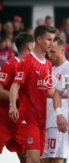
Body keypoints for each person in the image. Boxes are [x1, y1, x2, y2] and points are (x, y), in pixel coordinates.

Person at [9, 25, 56, 163]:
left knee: (37, 159)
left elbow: (48, 90)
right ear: (39, 39)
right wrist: (12, 106)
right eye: (49, 40)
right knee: (33, 159)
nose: (51, 43)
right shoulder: (27, 61)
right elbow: (15, 86)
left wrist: (68, 94)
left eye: (53, 40)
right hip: (28, 118)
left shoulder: (48, 64)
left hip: (42, 120)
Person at [0, 32, 34, 163]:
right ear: (30, 46)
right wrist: (18, 99)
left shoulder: (34, 66)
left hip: (22, 123)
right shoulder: (10, 65)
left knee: (27, 158)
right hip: (4, 121)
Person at [41, 36, 69, 163]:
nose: (49, 54)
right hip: (44, 122)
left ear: (62, 50)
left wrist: (53, 93)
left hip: (58, 123)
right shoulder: (48, 68)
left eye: (53, 52)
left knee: (56, 160)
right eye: (48, 51)